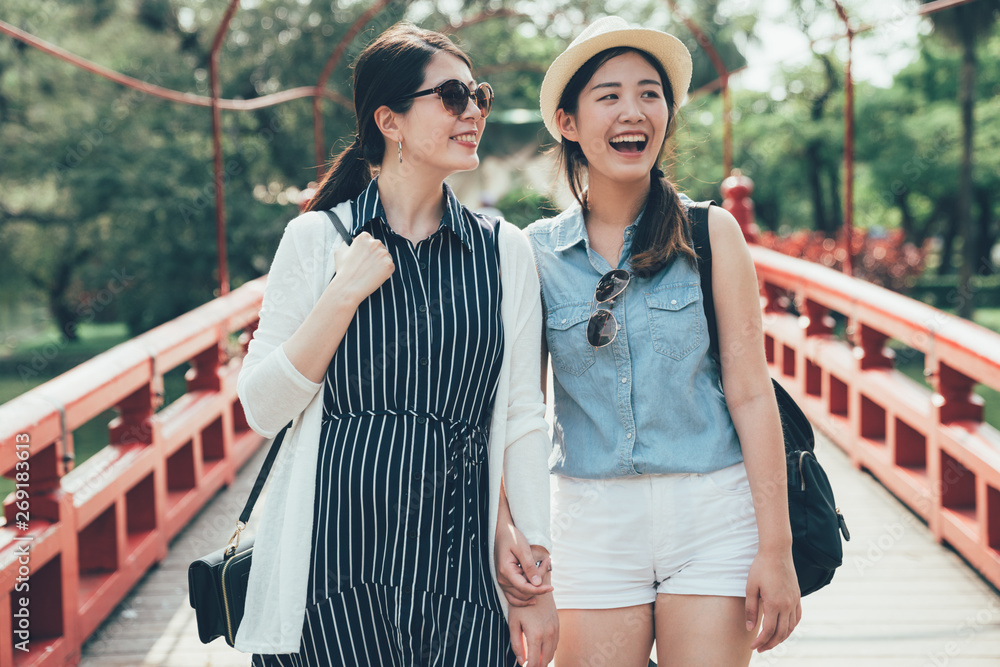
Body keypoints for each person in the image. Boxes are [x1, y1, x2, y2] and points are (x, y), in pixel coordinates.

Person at [234, 23, 556, 666]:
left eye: (479, 96)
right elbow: (261, 408)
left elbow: (521, 414)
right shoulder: (316, 241)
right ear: (390, 119)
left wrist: (531, 554)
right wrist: (341, 294)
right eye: (453, 96)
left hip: (458, 561)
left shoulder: (503, 252)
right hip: (332, 558)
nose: (473, 113)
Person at [513, 16, 801, 665]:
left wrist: (775, 549)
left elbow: (753, 396)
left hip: (713, 515)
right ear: (568, 121)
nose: (633, 111)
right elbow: (522, 414)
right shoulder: (533, 254)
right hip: (589, 523)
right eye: (608, 95)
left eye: (649, 93)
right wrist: (520, 544)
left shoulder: (712, 234)